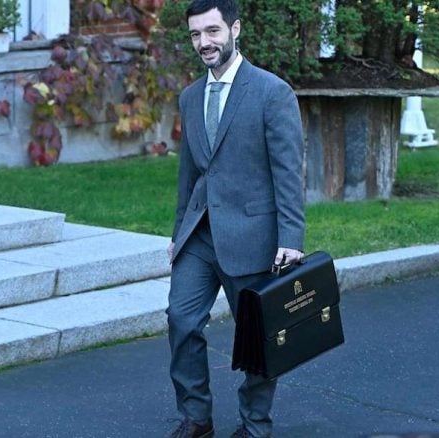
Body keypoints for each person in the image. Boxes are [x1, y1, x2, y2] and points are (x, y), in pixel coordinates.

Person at [165, 0, 305, 437]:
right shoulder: (190, 97)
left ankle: (255, 425)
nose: (203, 42)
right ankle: (196, 417)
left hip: (252, 235)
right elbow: (190, 175)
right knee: (181, 320)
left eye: (212, 31)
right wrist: (177, 234)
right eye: (195, 34)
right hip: (199, 236)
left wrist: (291, 237)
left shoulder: (271, 92)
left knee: (257, 337)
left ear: (235, 29)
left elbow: (288, 172)